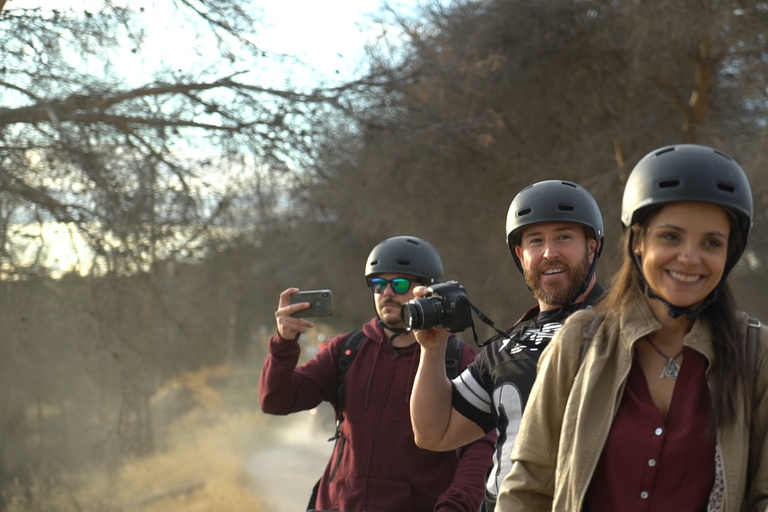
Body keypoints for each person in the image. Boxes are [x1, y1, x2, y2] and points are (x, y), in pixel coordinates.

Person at [496, 143, 768, 511]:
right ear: (638, 242)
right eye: (671, 236)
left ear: (729, 254)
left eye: (711, 242)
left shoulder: (757, 356)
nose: (689, 257)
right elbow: (527, 490)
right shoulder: (578, 343)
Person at [259, 235, 495, 512]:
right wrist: (284, 343)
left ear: (428, 289)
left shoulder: (455, 358)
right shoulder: (347, 350)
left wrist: (455, 506)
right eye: (378, 284)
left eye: (400, 284)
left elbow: (480, 447)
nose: (387, 293)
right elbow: (275, 401)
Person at [409, 180, 605, 512]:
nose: (549, 252)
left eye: (564, 237)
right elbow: (433, 433)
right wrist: (432, 350)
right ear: (520, 255)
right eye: (535, 241)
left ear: (592, 247)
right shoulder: (506, 344)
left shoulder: (623, 327)